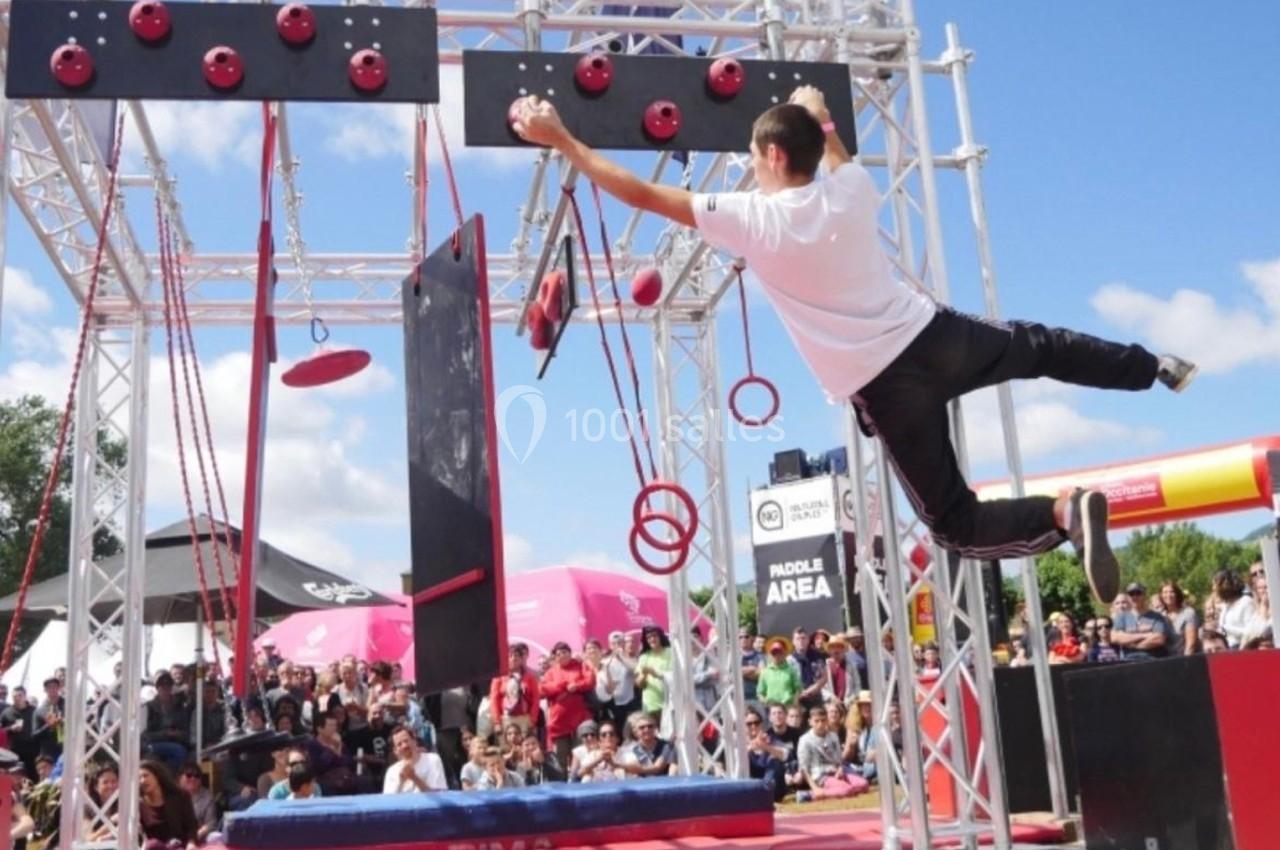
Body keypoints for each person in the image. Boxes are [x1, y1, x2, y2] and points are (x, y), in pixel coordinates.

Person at [509, 89, 1197, 608]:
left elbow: (638, 192)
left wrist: (561, 137)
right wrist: (824, 116)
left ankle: (1061, 513)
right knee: (1040, 347)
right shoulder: (851, 190)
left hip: (888, 386)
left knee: (955, 522)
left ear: (774, 156)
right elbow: (835, 155)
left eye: (754, 158)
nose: (750, 169)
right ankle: (1153, 367)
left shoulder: (751, 218)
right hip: (934, 337)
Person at [539, 641, 596, 766]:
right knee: (560, 756)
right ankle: (560, 783)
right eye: (558, 654)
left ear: (570, 653)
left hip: (580, 718)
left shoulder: (580, 666)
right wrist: (562, 685)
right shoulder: (551, 672)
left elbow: (590, 681)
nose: (562, 655)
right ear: (555, 657)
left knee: (582, 753)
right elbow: (543, 690)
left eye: (564, 652)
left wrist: (577, 686)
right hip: (559, 721)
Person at [796, 706, 869, 801]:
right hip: (821, 775)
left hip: (836, 771)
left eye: (823, 720)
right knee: (846, 789)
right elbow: (804, 768)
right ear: (810, 722)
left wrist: (840, 769)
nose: (820, 724)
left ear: (827, 720)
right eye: (816, 721)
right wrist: (814, 787)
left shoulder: (833, 736)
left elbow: (839, 760)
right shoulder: (805, 740)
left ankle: (838, 790)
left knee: (863, 784)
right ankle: (809, 794)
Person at [139, 759, 198, 849]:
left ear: (157, 776)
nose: (142, 781)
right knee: (152, 844)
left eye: (145, 776)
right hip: (155, 847)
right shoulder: (139, 804)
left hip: (179, 845)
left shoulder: (180, 796)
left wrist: (191, 843)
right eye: (139, 778)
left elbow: (191, 825)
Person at [1109, 583, 1173, 659]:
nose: (1135, 596)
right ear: (1128, 597)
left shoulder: (1157, 617)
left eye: (1138, 593)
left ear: (1144, 595)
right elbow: (1115, 638)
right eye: (1131, 594)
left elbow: (1159, 639)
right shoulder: (1121, 617)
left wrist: (1132, 644)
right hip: (1128, 661)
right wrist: (1145, 635)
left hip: (1153, 660)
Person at [488, 643, 540, 738]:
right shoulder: (499, 677)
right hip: (506, 718)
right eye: (510, 656)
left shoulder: (530, 678)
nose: (513, 658)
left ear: (521, 659)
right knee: (507, 748)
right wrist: (497, 722)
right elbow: (494, 700)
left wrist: (532, 720)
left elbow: (536, 700)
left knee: (525, 747)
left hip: (525, 718)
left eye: (516, 655)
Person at [383, 725, 447, 793]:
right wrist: (400, 782)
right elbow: (388, 801)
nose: (404, 746)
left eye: (406, 741)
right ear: (395, 751)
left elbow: (438, 795)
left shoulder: (433, 760)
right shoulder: (392, 771)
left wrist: (414, 778)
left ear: (414, 741)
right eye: (399, 744)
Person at [634, 626, 673, 731]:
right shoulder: (644, 657)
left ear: (660, 636)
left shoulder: (671, 652)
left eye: (654, 636)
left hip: (670, 703)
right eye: (649, 637)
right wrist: (644, 675)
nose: (652, 639)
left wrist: (655, 673)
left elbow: (674, 676)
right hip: (651, 704)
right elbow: (639, 685)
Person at [757, 639, 802, 707]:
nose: (777, 655)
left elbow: (798, 689)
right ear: (770, 655)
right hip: (772, 709)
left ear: (784, 654)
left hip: (788, 707)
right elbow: (760, 692)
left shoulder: (791, 670)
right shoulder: (765, 672)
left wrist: (794, 702)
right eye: (774, 653)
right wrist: (766, 702)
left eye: (779, 652)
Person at [1160, 580, 1200, 655]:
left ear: (1177, 594)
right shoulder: (1160, 615)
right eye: (1165, 592)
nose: (1168, 595)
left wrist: (1185, 662)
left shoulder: (1188, 613)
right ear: (1161, 595)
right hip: (1165, 659)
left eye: (1171, 592)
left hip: (1184, 657)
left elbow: (1191, 645)